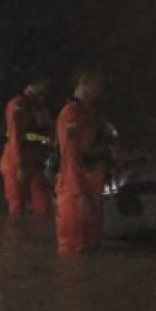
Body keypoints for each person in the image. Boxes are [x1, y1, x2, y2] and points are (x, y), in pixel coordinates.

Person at [54, 66, 113, 254]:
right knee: (74, 247)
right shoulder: (72, 113)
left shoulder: (91, 113)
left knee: (91, 244)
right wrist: (79, 194)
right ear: (84, 83)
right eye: (97, 84)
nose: (100, 89)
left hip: (92, 185)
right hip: (76, 189)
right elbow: (70, 155)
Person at [0, 78, 53, 216]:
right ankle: (16, 236)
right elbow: (15, 136)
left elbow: (47, 134)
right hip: (17, 162)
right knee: (17, 208)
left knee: (43, 206)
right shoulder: (18, 105)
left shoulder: (40, 107)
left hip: (36, 161)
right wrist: (20, 164)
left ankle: (35, 235)